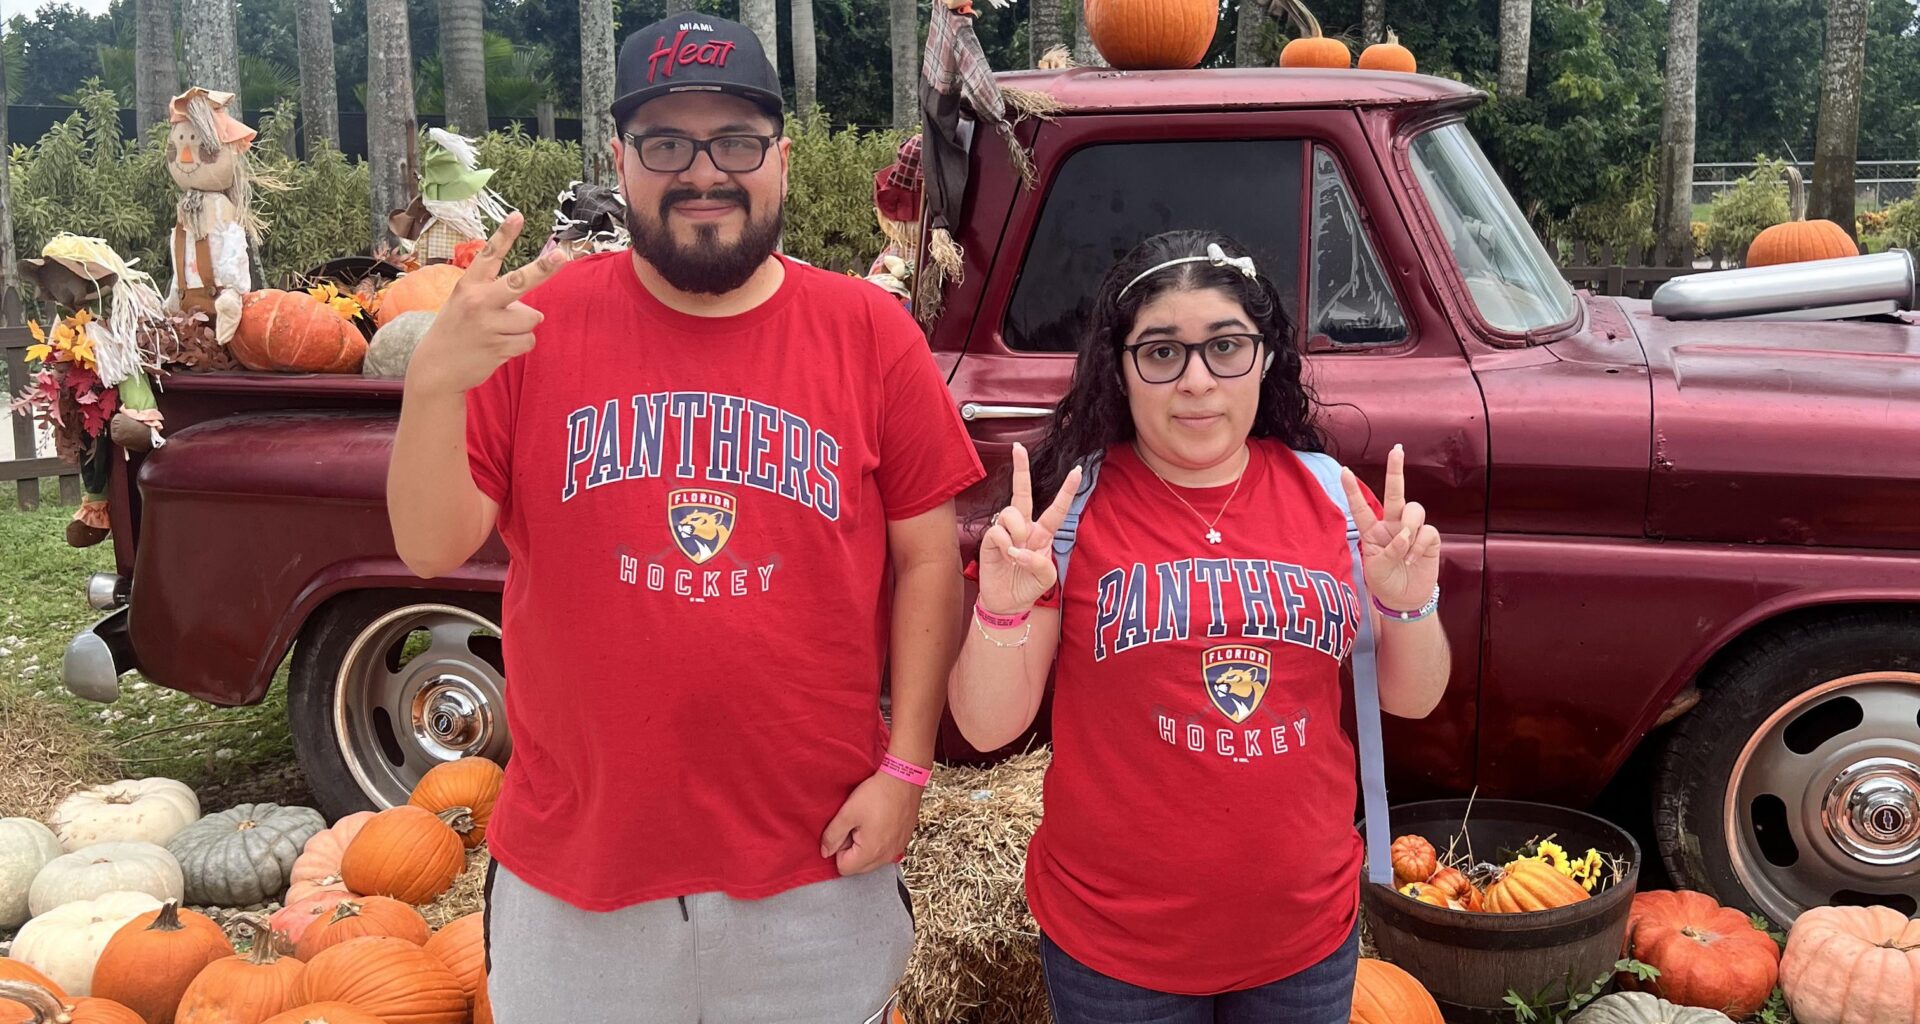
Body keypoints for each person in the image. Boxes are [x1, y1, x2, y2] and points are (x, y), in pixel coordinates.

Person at [386, 12, 984, 1022]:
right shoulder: (534, 328)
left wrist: (906, 768)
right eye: (666, 143)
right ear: (620, 159)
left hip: (816, 869)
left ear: (782, 159)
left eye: (736, 142)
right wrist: (435, 383)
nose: (704, 173)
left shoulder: (868, 332)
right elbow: (429, 545)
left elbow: (928, 562)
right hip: (578, 880)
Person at [948, 229, 1451, 1022]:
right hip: (1117, 952)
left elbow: (1413, 698)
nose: (1196, 380)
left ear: (1264, 356)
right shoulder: (1070, 514)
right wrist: (1002, 607)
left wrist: (1407, 601)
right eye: (1161, 353)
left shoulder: (1334, 499)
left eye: (1225, 346)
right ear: (1120, 369)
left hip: (1303, 938)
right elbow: (985, 726)